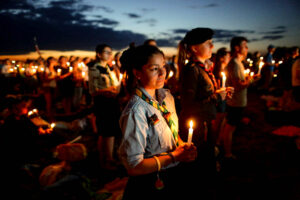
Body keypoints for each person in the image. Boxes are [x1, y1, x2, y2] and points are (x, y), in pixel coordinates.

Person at [118, 45, 197, 200]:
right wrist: (174, 157)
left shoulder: (167, 98)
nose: (162, 73)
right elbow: (134, 166)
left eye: (163, 67)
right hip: (150, 181)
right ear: (137, 73)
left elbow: (169, 132)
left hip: (174, 173)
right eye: (154, 69)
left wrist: (182, 145)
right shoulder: (136, 111)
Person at [177, 28, 233, 195]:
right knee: (198, 165)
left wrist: (221, 93)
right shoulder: (192, 70)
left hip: (207, 124)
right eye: (208, 43)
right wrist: (216, 97)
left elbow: (207, 95)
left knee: (206, 160)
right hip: (197, 128)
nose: (212, 46)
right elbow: (188, 104)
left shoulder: (203, 68)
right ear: (195, 48)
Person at [222, 36, 256, 163]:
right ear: (237, 48)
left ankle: (224, 148)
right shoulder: (235, 64)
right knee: (230, 127)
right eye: (245, 46)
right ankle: (227, 154)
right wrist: (251, 80)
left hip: (237, 101)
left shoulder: (238, 63)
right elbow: (238, 85)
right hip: (235, 102)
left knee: (230, 126)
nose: (247, 48)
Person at [88, 44, 121, 170]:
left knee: (109, 131)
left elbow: (116, 83)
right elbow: (93, 89)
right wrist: (108, 90)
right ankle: (107, 160)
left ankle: (106, 159)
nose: (110, 55)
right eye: (107, 52)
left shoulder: (108, 67)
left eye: (110, 52)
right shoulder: (94, 68)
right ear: (99, 54)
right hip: (103, 102)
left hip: (112, 101)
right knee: (106, 131)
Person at [212, 47, 231, 149]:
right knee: (218, 121)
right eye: (228, 56)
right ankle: (214, 142)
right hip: (220, 100)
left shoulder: (224, 70)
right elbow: (218, 88)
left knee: (222, 121)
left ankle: (217, 140)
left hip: (223, 99)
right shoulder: (218, 72)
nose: (230, 58)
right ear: (222, 58)